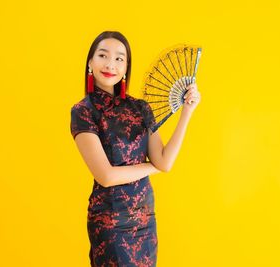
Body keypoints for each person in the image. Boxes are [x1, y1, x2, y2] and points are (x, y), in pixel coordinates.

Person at [70, 31, 201, 267]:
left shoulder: (140, 108)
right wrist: (152, 167)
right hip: (111, 221)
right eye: (103, 55)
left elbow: (164, 161)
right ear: (90, 62)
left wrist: (187, 112)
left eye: (120, 59)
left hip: (145, 221)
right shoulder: (84, 110)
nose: (111, 64)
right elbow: (106, 176)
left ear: (126, 67)